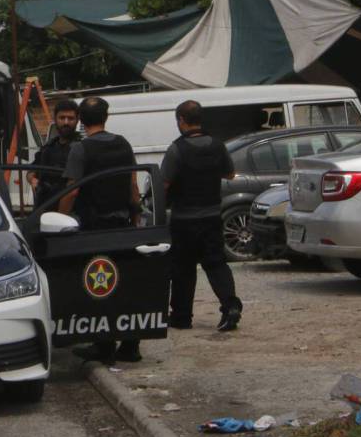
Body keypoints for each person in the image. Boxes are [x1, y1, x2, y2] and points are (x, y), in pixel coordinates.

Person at [59, 97, 144, 364]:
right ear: (106, 117)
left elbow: (72, 191)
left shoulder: (80, 150)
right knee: (126, 284)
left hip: (94, 229)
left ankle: (103, 346)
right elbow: (132, 185)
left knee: (98, 286)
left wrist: (58, 219)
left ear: (81, 120)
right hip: (123, 225)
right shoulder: (123, 144)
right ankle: (131, 345)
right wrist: (137, 216)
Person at [162, 100, 243, 332]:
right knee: (216, 264)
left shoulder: (176, 149)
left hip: (183, 220)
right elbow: (230, 173)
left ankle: (181, 316)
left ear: (181, 121)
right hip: (211, 217)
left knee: (183, 268)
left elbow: (164, 183)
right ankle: (230, 306)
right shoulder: (218, 146)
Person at [28, 99, 80, 208]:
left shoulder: (81, 148)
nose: (66, 122)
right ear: (55, 119)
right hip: (43, 208)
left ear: (77, 120)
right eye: (62, 118)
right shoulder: (48, 147)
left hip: (69, 212)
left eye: (70, 118)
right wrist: (33, 180)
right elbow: (31, 171)